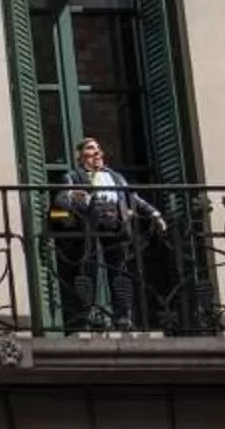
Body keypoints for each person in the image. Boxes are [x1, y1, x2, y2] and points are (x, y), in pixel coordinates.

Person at [55, 136, 163, 332]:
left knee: (120, 271)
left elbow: (133, 198)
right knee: (90, 271)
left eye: (98, 149)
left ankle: (123, 317)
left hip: (117, 226)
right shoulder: (73, 176)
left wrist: (154, 213)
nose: (96, 152)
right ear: (80, 156)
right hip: (91, 227)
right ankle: (88, 316)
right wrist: (75, 197)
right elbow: (61, 199)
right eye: (90, 148)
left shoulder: (116, 177)